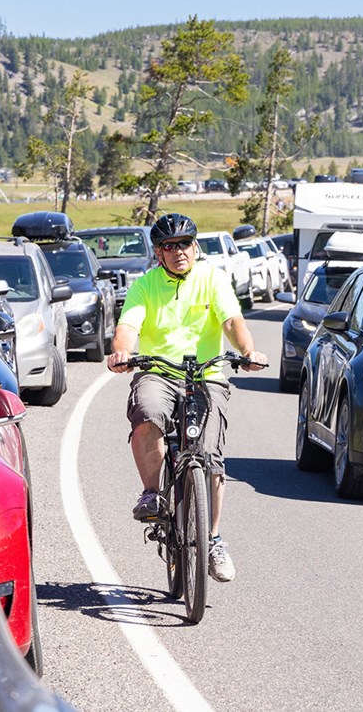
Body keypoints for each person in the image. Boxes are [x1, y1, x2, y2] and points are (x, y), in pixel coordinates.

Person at [107, 213, 267, 583]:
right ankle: (151, 493)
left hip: (206, 374)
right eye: (169, 246)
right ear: (158, 253)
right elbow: (127, 326)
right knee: (146, 412)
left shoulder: (212, 279)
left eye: (184, 244)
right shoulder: (145, 286)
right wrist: (121, 353)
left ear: (195, 247)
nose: (178, 251)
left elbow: (231, 321)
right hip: (160, 373)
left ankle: (212, 540)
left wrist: (248, 351)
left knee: (209, 456)